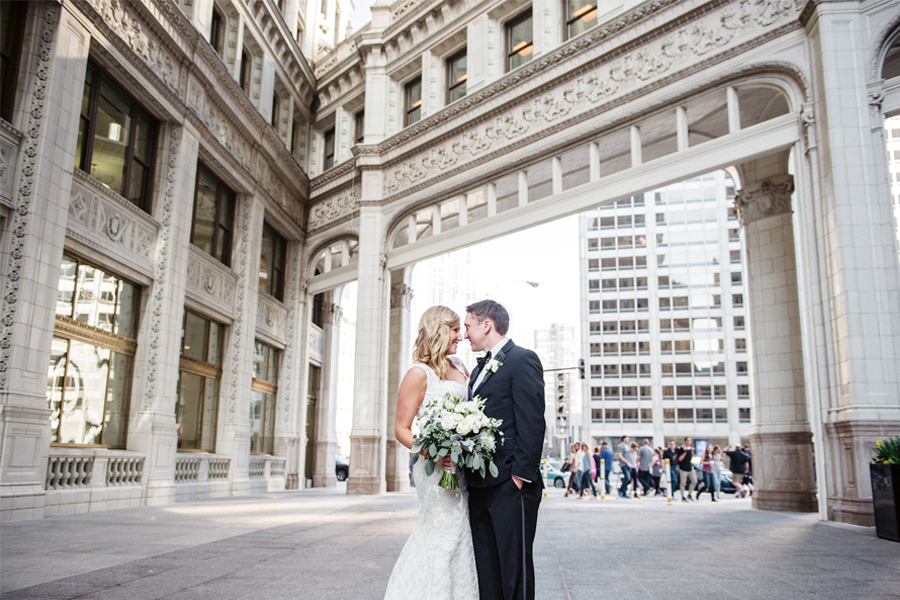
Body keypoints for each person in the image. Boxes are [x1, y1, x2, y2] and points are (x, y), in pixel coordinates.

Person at [384, 306, 479, 599]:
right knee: (441, 531)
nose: (460, 336)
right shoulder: (418, 373)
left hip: (461, 466)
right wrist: (432, 452)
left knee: (463, 532)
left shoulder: (461, 366)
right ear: (438, 331)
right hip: (434, 469)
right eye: (454, 330)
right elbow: (401, 428)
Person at [463, 300, 545, 600]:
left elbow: (532, 422)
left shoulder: (523, 359)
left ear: (486, 325)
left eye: (468, 325)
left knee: (515, 570)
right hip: (479, 484)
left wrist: (519, 478)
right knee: (487, 568)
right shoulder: (477, 371)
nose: (465, 333)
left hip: (510, 485)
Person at [677, 437, 697, 502]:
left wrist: (692, 453)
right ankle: (683, 496)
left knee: (694, 481)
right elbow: (679, 459)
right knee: (683, 483)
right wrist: (684, 453)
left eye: (690, 440)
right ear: (685, 441)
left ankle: (690, 494)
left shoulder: (691, 449)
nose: (689, 442)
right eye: (688, 440)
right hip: (683, 468)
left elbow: (692, 458)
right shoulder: (681, 449)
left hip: (690, 467)